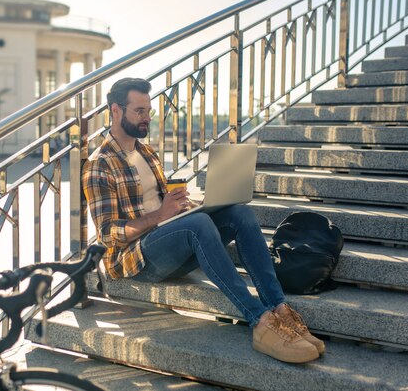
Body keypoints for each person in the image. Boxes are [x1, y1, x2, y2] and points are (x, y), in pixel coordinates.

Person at [82, 78, 324, 363]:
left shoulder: (147, 153)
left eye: (149, 111)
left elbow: (162, 206)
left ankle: (279, 309)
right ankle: (260, 321)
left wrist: (194, 207)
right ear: (116, 111)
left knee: (240, 214)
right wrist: (161, 215)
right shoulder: (99, 164)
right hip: (133, 260)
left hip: (168, 245)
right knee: (198, 226)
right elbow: (108, 235)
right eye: (139, 111)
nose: (147, 118)